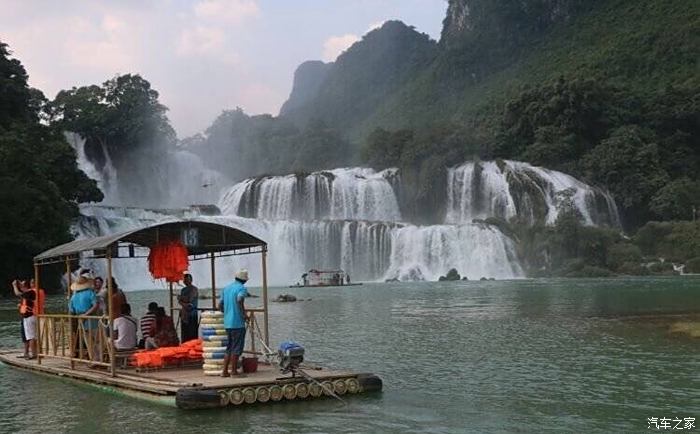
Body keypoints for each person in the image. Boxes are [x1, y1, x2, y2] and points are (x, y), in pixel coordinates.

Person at [219, 269, 249, 377]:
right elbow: (240, 299)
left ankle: (224, 371)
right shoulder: (242, 288)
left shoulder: (226, 288)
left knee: (229, 347)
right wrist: (244, 314)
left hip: (227, 323)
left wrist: (227, 313)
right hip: (238, 323)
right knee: (236, 347)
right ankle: (234, 371)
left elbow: (220, 305)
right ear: (244, 280)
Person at [69, 269, 100, 360]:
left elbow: (71, 309)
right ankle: (99, 359)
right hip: (91, 318)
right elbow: (96, 305)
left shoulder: (74, 296)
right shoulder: (90, 293)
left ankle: (94, 359)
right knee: (97, 340)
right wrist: (87, 314)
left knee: (88, 341)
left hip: (80, 318)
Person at [12, 279, 44, 359]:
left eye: (23, 284)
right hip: (35, 315)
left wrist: (14, 286)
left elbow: (18, 293)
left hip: (29, 316)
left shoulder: (31, 292)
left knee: (30, 336)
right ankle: (34, 353)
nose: (21, 286)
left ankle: (33, 354)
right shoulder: (37, 291)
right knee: (33, 336)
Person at [178, 273, 199, 342]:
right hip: (184, 315)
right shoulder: (183, 290)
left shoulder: (194, 289)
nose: (186, 281)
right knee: (184, 334)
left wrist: (181, 298)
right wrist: (184, 304)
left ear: (191, 280)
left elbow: (190, 299)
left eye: (187, 280)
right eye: (185, 280)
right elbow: (180, 301)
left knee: (192, 334)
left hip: (192, 314)